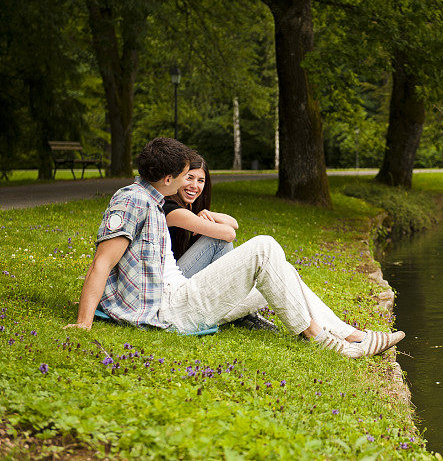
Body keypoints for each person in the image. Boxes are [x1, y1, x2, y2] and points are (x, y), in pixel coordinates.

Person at [65, 137, 404, 358]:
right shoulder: (132, 202)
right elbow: (101, 263)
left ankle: (351, 335)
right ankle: (326, 342)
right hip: (169, 310)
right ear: (167, 179)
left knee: (282, 273)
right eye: (185, 176)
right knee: (264, 247)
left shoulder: (153, 199)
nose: (191, 182)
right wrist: (84, 323)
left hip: (180, 295)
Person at [163, 152, 274, 330]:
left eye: (201, 180)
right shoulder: (169, 208)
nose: (194, 186)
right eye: (189, 178)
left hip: (182, 274)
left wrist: (208, 214)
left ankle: (239, 311)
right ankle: (239, 312)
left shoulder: (189, 207)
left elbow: (234, 224)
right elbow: (229, 234)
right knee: (218, 241)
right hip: (171, 286)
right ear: (176, 178)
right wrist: (202, 221)